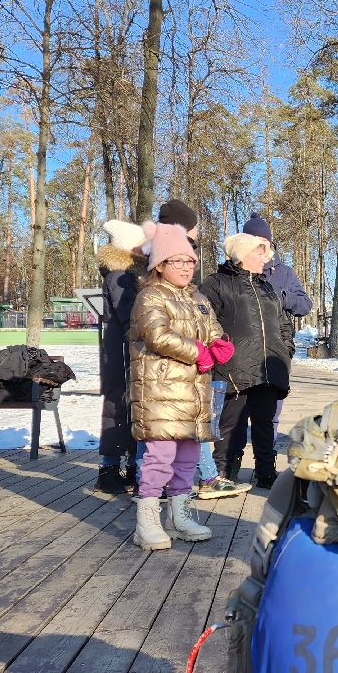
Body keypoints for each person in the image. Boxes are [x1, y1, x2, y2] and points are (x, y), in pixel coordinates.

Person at [128, 221, 230, 550]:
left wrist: (219, 344)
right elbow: (157, 336)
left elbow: (212, 327)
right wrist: (198, 351)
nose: (186, 268)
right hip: (159, 391)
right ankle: (147, 521)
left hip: (193, 390)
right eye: (178, 261)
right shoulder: (150, 297)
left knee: (187, 455)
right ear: (160, 264)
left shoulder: (198, 298)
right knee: (160, 456)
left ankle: (180, 515)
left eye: (190, 261)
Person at [217, 212, 312, 482]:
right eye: (255, 241)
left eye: (264, 241)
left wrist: (285, 348)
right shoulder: (226, 277)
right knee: (234, 416)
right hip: (239, 359)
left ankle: (264, 468)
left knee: (267, 417)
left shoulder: (283, 273)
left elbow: (304, 306)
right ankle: (229, 465)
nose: (261, 247)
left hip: (270, 359)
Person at [199, 231, 292, 494]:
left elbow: (284, 323)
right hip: (233, 368)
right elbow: (204, 321)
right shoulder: (216, 283)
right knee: (230, 424)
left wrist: (285, 350)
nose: (265, 259)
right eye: (259, 253)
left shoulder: (267, 287)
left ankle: (266, 472)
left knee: (265, 423)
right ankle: (222, 473)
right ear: (243, 255)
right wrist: (220, 350)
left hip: (268, 368)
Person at [95, 219, 146, 494]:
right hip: (122, 351)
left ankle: (123, 465)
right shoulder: (119, 275)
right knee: (118, 406)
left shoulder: (126, 273)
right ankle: (110, 468)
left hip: (121, 348)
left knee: (125, 406)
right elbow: (128, 315)